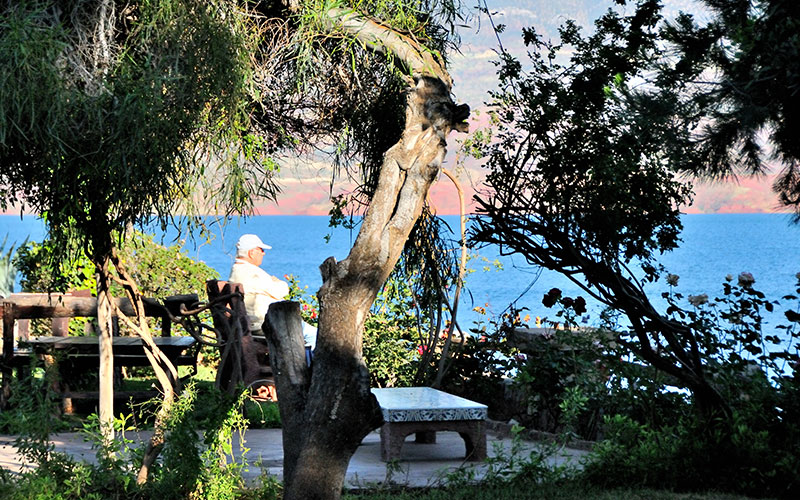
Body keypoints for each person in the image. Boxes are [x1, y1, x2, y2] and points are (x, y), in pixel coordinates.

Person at [228, 234, 317, 349]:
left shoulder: (236, 271)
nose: (263, 253)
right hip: (265, 326)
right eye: (261, 250)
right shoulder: (253, 273)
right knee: (313, 334)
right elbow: (282, 290)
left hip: (251, 325)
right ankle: (309, 366)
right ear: (252, 253)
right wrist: (278, 282)